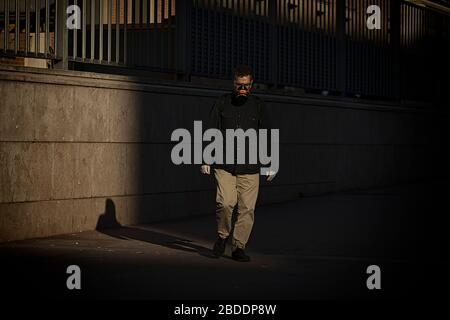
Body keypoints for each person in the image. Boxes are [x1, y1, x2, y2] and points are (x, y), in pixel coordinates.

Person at [200, 65, 275, 262]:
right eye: (239, 86)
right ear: (233, 84)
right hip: (224, 165)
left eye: (246, 86)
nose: (242, 89)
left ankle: (238, 247)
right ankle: (223, 236)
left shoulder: (258, 105)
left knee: (247, 209)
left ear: (251, 85)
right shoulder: (222, 102)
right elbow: (211, 129)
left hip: (250, 167)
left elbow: (267, 133)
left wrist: (270, 162)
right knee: (225, 203)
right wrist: (206, 157)